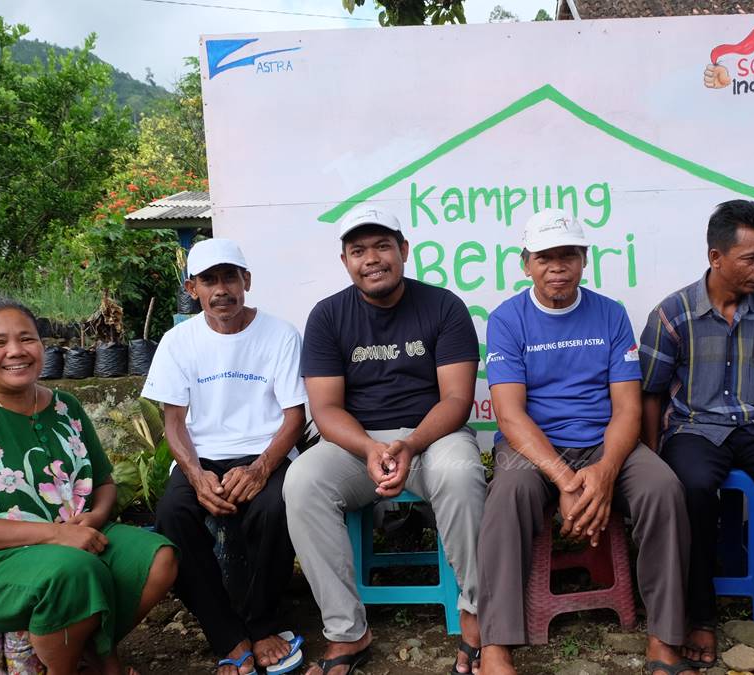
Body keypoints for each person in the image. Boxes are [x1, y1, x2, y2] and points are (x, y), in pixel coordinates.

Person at [478, 209, 694, 675]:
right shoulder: (507, 319)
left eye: (567, 255)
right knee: (507, 495)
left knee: (663, 489)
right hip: (532, 448)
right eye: (545, 257)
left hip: (604, 442)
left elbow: (628, 410)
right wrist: (565, 480)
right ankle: (496, 644)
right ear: (525, 264)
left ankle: (664, 637)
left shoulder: (611, 315)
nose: (557, 266)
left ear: (583, 260)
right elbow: (510, 416)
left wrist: (604, 470)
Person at [0, 298, 177, 675]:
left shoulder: (65, 406)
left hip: (73, 541)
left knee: (157, 557)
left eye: (27, 339)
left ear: (42, 346)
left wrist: (95, 518)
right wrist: (54, 536)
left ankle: (90, 650)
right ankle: (81, 666)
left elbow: (103, 485)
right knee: (72, 571)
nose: (16, 351)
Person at [285, 204, 486, 675]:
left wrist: (410, 444)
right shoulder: (328, 316)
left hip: (433, 437)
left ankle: (476, 615)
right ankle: (347, 632)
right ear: (345, 261)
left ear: (404, 251)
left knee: (460, 474)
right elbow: (326, 408)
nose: (371, 258)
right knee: (302, 482)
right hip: (358, 446)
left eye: (382, 246)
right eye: (359, 250)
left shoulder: (444, 306)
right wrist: (369, 449)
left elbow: (457, 399)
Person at [637, 199, 754, 663]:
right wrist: (653, 453)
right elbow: (651, 393)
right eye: (750, 258)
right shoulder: (672, 314)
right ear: (716, 257)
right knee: (692, 492)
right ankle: (699, 616)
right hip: (694, 429)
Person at [144, 238, 307, 675]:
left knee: (275, 507)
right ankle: (227, 635)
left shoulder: (281, 334)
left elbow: (295, 416)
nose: (221, 289)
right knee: (174, 514)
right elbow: (173, 421)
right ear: (192, 287)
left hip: (265, 452)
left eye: (230, 277)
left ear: (246, 281)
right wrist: (196, 476)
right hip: (202, 458)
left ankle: (261, 623)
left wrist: (261, 468)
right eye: (209, 280)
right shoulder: (178, 341)